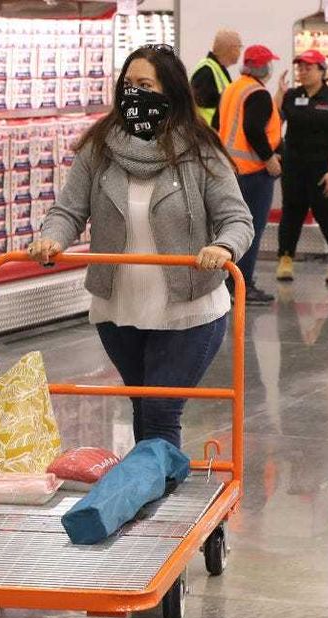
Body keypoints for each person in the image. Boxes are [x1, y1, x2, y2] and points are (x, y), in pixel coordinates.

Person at [28, 44, 253, 448]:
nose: (133, 94)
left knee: (161, 411)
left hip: (189, 308)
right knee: (141, 407)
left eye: (145, 85)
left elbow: (237, 219)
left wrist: (223, 247)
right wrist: (52, 237)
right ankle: (147, 499)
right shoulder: (99, 148)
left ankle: (155, 493)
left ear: (170, 91)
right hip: (120, 308)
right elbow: (68, 210)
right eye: (127, 84)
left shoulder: (200, 151)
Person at [274, 49, 328, 284]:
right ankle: (285, 259)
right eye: (300, 68)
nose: (303, 72)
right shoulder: (292, 96)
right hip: (294, 167)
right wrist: (279, 93)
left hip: (322, 169)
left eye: (308, 68)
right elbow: (274, 120)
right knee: (291, 214)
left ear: (321, 70)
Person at [213, 44, 283, 305]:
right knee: (250, 229)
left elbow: (216, 126)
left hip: (229, 170)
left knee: (230, 227)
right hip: (254, 173)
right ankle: (244, 283)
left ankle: (228, 282)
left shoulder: (233, 88)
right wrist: (269, 159)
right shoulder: (258, 94)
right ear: (264, 67)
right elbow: (253, 129)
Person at [191, 29, 242, 126]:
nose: (240, 52)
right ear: (232, 49)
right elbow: (198, 99)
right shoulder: (206, 70)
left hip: (213, 133)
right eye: (239, 47)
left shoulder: (216, 68)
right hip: (207, 133)